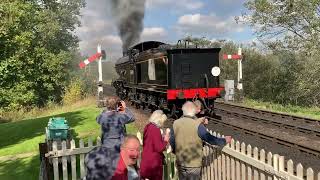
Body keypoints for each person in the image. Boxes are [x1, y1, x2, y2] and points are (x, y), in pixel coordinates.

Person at [169, 101, 232, 180]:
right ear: (193, 111)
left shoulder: (176, 123)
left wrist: (176, 153)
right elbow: (210, 139)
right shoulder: (197, 126)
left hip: (180, 161)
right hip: (193, 164)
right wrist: (224, 140)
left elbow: (171, 142)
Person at [140, 110, 170, 180]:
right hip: (153, 163)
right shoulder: (155, 130)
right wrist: (166, 139)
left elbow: (150, 142)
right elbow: (159, 148)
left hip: (146, 158)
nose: (163, 124)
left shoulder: (148, 126)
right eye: (163, 122)